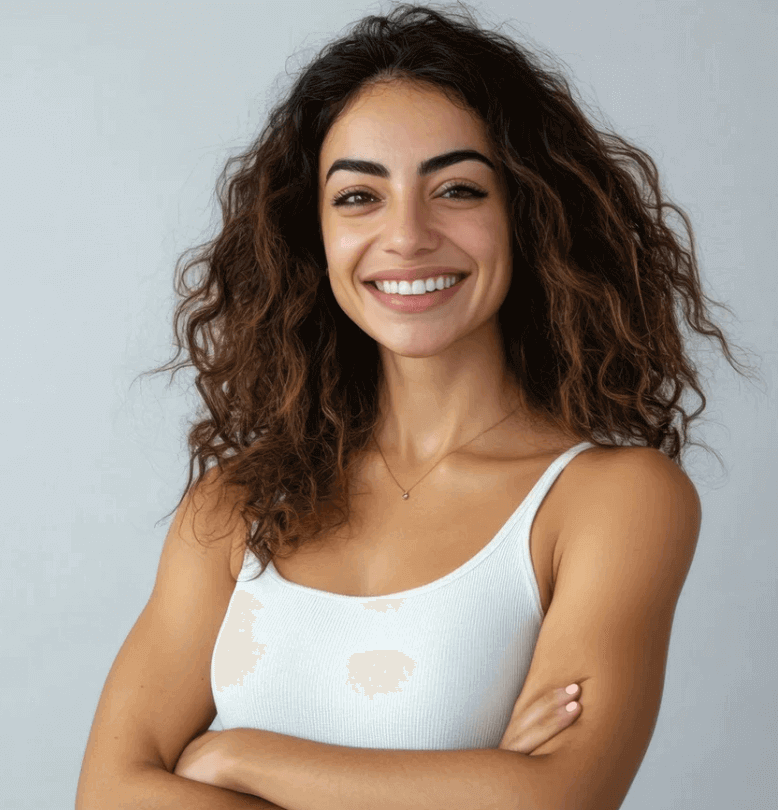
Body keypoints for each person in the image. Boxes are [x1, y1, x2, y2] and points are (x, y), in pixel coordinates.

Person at [75, 5, 751, 809]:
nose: (407, 235)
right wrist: (469, 784)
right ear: (312, 234)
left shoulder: (614, 499)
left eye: (457, 188)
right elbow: (108, 794)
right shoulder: (234, 508)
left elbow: (553, 801)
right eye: (359, 196)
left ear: (529, 214)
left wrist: (233, 758)